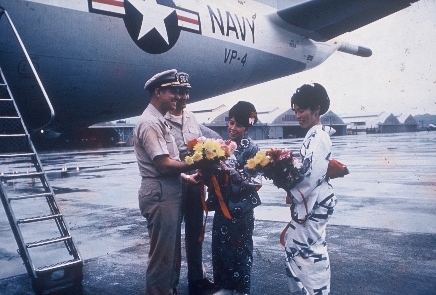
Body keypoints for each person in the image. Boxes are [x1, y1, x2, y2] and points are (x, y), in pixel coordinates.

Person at [133, 69, 202, 295]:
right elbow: (162, 165)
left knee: (170, 255)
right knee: (162, 258)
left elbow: (167, 163)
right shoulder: (151, 123)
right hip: (160, 194)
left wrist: (186, 177)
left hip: (168, 191)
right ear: (158, 92)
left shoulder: (159, 120)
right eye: (172, 91)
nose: (176, 96)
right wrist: (198, 163)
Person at [283, 83, 338, 295]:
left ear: (316, 109)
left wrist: (292, 190)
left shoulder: (318, 137)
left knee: (305, 255)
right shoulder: (315, 135)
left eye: (302, 110)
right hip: (314, 200)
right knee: (303, 254)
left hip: (312, 202)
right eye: (295, 110)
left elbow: (312, 175)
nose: (298, 115)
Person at [164, 72, 215, 294]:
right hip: (173, 185)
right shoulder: (161, 121)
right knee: (172, 237)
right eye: (178, 92)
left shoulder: (192, 117)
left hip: (195, 184)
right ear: (171, 94)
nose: (183, 96)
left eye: (186, 91)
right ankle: (170, 284)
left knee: (196, 232)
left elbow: (200, 147)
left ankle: (197, 278)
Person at [206, 101, 262, 295]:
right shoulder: (223, 146)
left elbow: (256, 181)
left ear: (247, 128)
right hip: (223, 206)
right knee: (220, 246)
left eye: (238, 125)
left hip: (241, 210)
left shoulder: (253, 149)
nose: (232, 128)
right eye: (230, 122)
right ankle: (224, 286)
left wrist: (231, 171)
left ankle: (241, 289)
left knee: (240, 249)